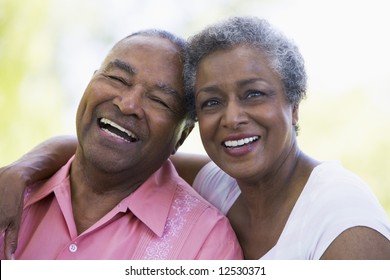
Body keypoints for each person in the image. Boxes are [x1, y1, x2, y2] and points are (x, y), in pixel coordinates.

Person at [2, 16, 390, 259]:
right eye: (211, 102)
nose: (232, 117)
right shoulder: (220, 181)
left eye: (254, 93)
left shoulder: (345, 220)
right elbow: (114, 148)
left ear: (294, 105)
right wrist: (21, 169)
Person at [0, 29, 243, 260]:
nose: (128, 105)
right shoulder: (12, 194)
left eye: (159, 100)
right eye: (117, 78)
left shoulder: (205, 245)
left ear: (181, 136)